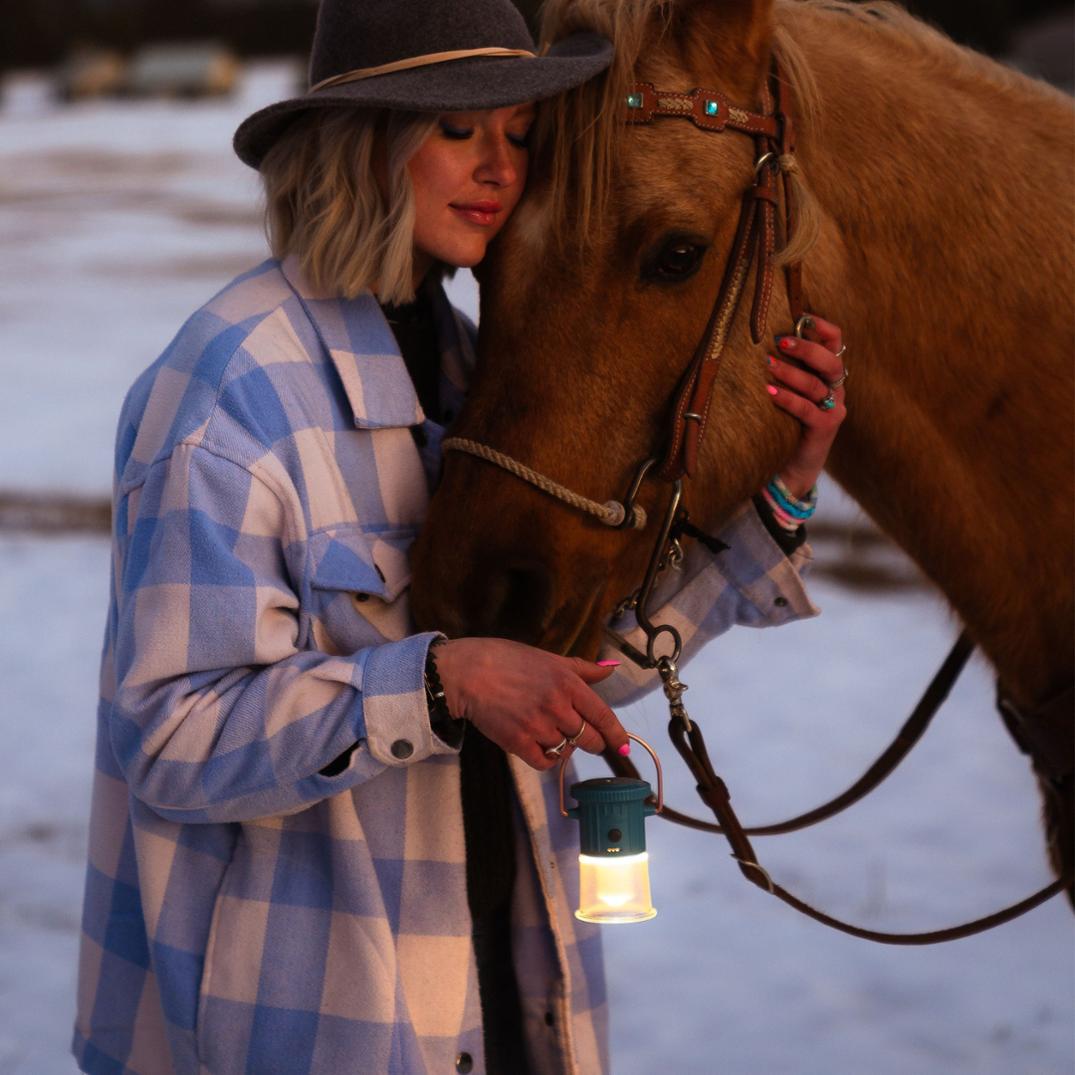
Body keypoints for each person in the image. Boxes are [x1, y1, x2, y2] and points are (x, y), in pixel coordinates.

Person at [72, 2, 848, 1073]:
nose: (500, 168)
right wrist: (441, 686)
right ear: (359, 140)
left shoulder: (468, 367)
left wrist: (784, 493)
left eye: (518, 135)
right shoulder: (229, 389)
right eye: (456, 129)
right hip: (314, 1025)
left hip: (505, 996)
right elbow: (169, 737)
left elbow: (560, 663)